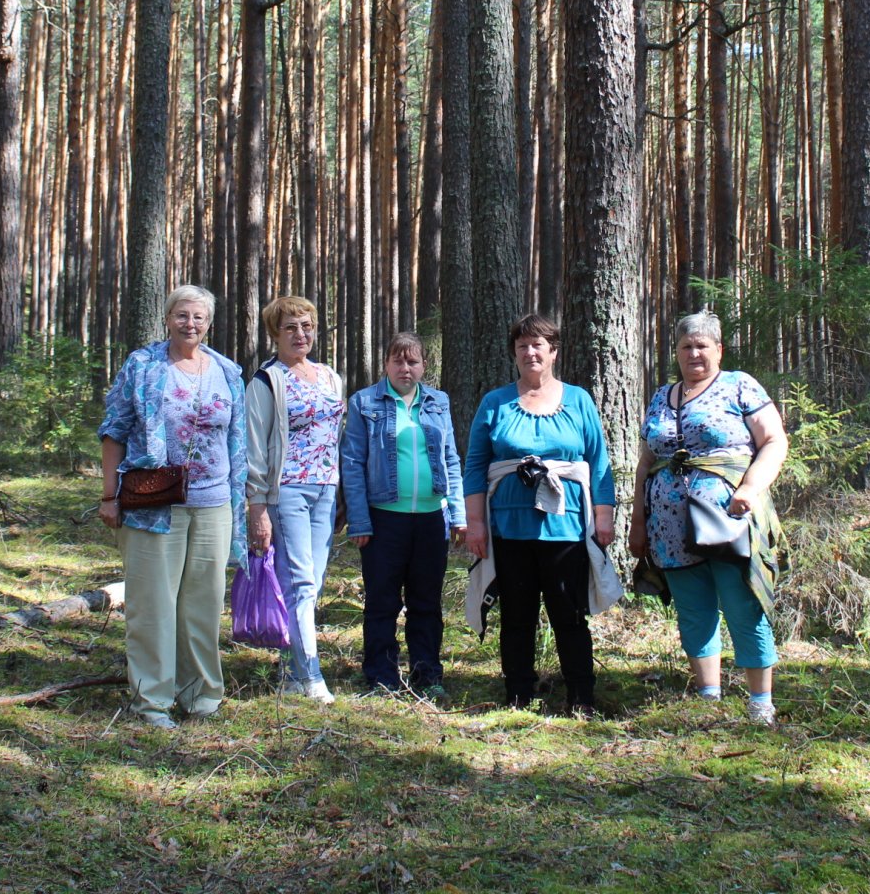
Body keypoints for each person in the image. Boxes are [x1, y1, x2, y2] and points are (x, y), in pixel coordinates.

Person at [628, 309, 789, 725]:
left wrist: (750, 489)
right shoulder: (662, 397)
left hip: (727, 522)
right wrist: (639, 521)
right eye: (686, 346)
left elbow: (773, 441)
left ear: (718, 349)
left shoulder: (740, 386)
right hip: (669, 527)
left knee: (742, 605)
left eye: (702, 345)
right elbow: (647, 461)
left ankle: (760, 704)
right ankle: (708, 699)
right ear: (676, 352)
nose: (694, 353)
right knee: (693, 609)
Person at [98, 285, 248, 729]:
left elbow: (237, 440)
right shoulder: (143, 365)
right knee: (152, 606)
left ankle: (201, 694)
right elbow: (114, 429)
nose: (190, 324)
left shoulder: (227, 371)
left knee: (201, 605)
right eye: (182, 315)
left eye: (198, 317)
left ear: (209, 323)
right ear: (167, 319)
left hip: (214, 504)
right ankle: (152, 701)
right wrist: (109, 495)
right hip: (153, 506)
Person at [462, 313, 619, 714]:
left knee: (569, 614)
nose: (530, 352)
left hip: (566, 527)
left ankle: (582, 697)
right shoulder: (495, 403)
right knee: (517, 615)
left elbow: (598, 463)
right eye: (522, 346)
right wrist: (476, 524)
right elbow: (476, 466)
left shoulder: (579, 400)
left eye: (538, 345)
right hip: (509, 526)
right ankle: (518, 695)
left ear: (553, 352)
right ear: (514, 354)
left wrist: (604, 517)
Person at [340, 332, 466, 697]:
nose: (405, 368)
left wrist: (457, 513)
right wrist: (360, 521)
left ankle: (428, 674)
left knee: (426, 601)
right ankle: (381, 674)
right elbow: (352, 464)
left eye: (412, 361)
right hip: (383, 520)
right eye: (398, 361)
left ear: (424, 365)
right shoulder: (364, 402)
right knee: (382, 600)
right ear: (386, 365)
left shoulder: (438, 402)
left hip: (431, 519)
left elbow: (451, 458)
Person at [245, 295, 345, 703]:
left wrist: (343, 496)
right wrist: (257, 506)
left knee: (310, 583)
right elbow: (254, 446)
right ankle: (313, 675)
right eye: (291, 328)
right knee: (301, 581)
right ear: (275, 333)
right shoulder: (267, 381)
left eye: (306, 326)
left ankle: (290, 673)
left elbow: (338, 437)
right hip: (285, 490)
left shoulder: (330, 377)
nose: (301, 334)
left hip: (327, 489)